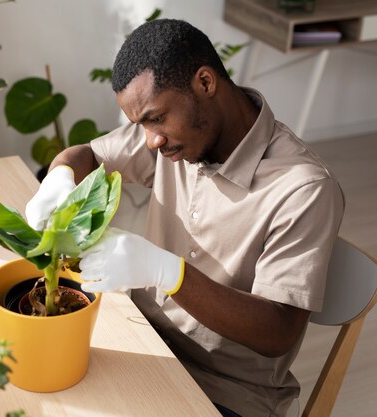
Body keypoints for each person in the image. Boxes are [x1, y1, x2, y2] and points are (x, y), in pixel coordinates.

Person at [24, 19, 345, 417]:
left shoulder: (303, 188)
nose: (150, 141)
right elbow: (88, 154)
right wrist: (58, 177)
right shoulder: (176, 138)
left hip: (227, 394)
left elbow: (277, 332)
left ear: (205, 83)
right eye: (140, 125)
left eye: (156, 119)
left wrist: (168, 273)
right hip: (144, 343)